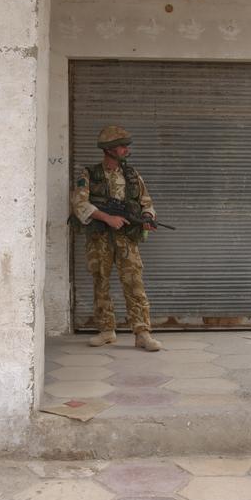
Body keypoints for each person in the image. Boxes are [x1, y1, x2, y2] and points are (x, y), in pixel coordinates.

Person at [71, 125, 162, 351]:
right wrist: (107, 217)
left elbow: (146, 201)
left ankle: (142, 333)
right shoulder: (89, 174)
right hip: (100, 237)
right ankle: (106, 331)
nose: (125, 149)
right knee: (100, 282)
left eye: (125, 145)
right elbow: (79, 203)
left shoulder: (132, 175)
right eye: (121, 146)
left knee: (134, 283)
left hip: (126, 239)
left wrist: (148, 217)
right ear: (109, 149)